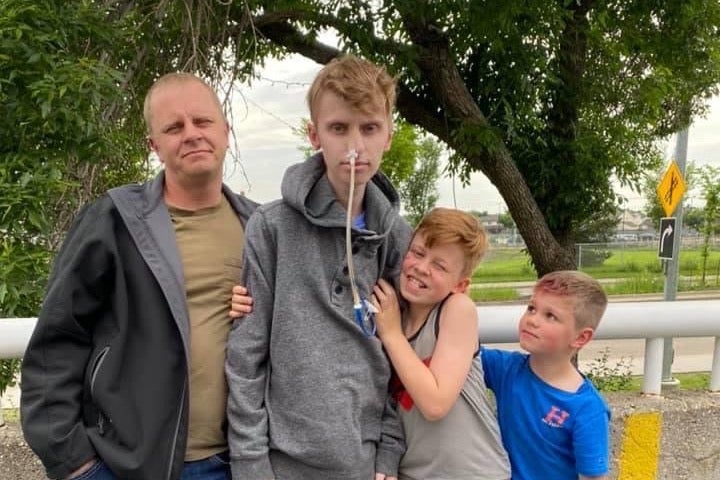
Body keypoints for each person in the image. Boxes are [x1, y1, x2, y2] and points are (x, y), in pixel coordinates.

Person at [20, 72, 258, 480]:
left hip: (234, 462)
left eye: (202, 122)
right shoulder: (113, 222)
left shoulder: (260, 227)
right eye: (174, 127)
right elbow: (55, 344)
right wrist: (74, 463)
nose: (191, 134)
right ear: (154, 146)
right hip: (126, 467)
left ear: (225, 131)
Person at [225, 54, 412, 480]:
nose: (354, 146)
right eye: (338, 128)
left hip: (366, 465)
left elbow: (409, 356)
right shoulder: (270, 227)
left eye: (369, 128)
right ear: (314, 135)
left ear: (388, 136)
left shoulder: (398, 238)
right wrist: (251, 463)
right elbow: (245, 355)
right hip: (280, 463)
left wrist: (389, 450)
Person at [370, 207, 511, 480]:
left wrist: (391, 334)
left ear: (460, 284)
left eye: (439, 266)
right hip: (413, 471)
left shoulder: (456, 308)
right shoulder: (395, 312)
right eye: (418, 253)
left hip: (472, 473)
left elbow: (435, 404)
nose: (421, 268)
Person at [480, 270, 611, 480]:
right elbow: (462, 349)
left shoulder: (587, 409)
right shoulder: (506, 368)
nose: (532, 320)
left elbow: (593, 477)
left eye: (550, 316)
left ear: (581, 337)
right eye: (531, 308)